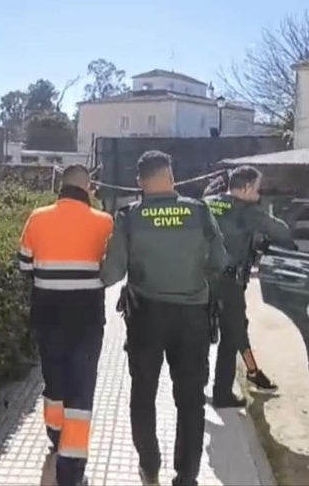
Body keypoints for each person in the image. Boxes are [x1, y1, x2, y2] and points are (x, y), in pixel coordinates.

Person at [100, 150, 228, 486]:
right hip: (193, 318)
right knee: (190, 400)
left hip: (146, 318)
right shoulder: (199, 212)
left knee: (143, 394)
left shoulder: (129, 217)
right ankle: (186, 477)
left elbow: (110, 274)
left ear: (139, 182)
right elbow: (220, 261)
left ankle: (149, 469)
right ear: (171, 176)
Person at [18, 164, 114, 486]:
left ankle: (55, 437)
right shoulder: (104, 221)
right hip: (86, 319)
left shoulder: (38, 216)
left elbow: (24, 263)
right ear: (88, 187)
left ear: (61, 186)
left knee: (54, 380)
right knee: (80, 390)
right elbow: (110, 267)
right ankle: (71, 472)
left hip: (48, 314)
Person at [203, 165, 296, 408]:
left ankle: (195, 388)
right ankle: (222, 394)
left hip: (200, 280)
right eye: (256, 188)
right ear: (245, 188)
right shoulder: (247, 211)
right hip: (228, 284)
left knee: (198, 334)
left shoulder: (206, 202)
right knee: (232, 334)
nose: (258, 194)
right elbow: (281, 232)